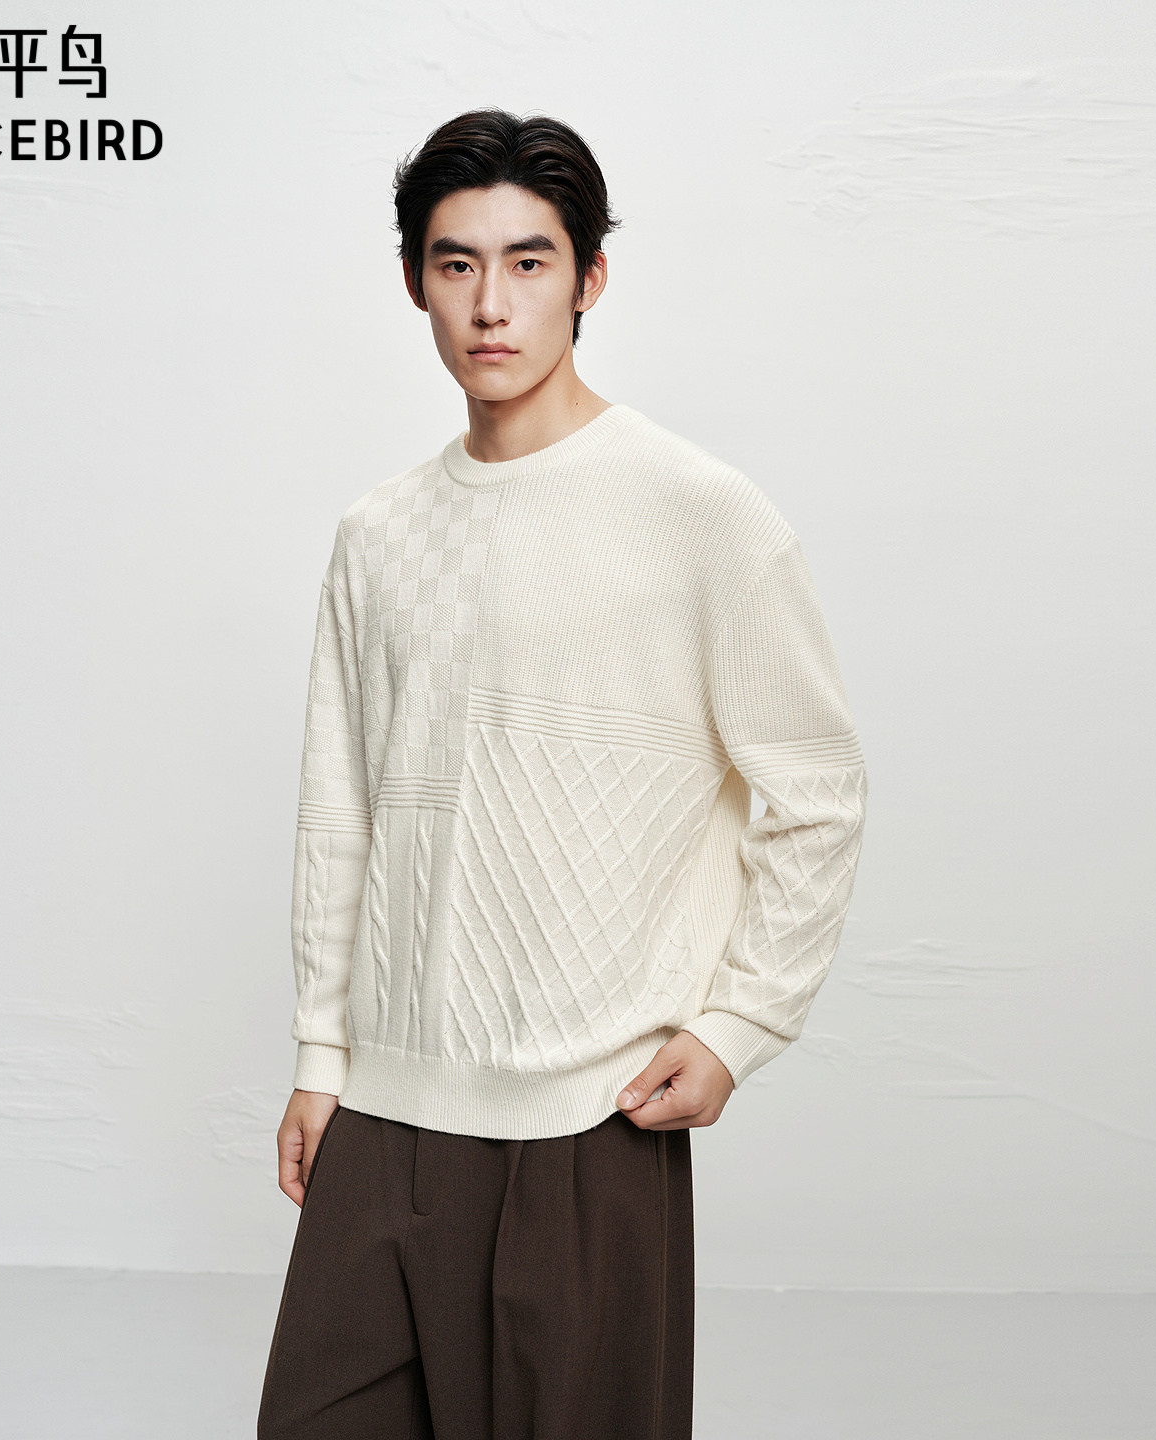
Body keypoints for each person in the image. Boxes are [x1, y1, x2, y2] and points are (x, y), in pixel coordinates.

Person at [256, 108, 868, 1440]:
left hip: (593, 1118)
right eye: (457, 262)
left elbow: (815, 790)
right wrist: (321, 1054)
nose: (492, 302)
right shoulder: (379, 535)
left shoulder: (701, 515)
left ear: (589, 278)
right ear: (415, 281)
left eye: (529, 262)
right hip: (385, 1111)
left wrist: (739, 1024)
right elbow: (340, 810)